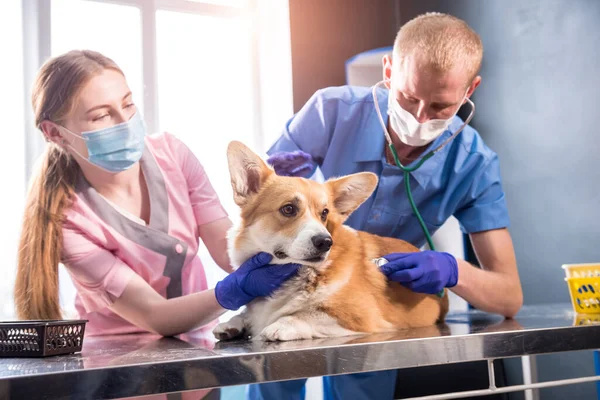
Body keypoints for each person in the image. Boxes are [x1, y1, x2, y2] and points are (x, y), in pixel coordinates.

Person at [252, 12, 523, 400]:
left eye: (441, 107)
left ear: (470, 90)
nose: (418, 118)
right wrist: (271, 187)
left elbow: (509, 297)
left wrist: (451, 270)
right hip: (293, 282)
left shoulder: (474, 163)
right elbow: (262, 210)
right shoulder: (331, 112)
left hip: (373, 302)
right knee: (275, 375)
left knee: (365, 382)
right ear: (388, 69)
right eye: (408, 97)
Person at [14, 50, 300, 400]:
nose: (123, 122)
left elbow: (230, 250)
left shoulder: (173, 155)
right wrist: (232, 290)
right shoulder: (68, 223)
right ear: (54, 132)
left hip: (198, 367)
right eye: (101, 116)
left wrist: (287, 223)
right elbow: (155, 315)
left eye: (128, 104)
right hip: (120, 376)